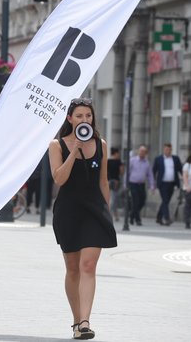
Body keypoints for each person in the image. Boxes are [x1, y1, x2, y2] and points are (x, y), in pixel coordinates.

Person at [49, 98, 116, 340]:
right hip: (68, 211)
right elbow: (59, 179)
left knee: (88, 266)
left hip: (94, 211)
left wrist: (107, 213)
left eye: (88, 116)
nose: (84, 120)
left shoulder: (101, 144)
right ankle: (76, 322)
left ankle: (86, 321)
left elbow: (103, 181)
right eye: (79, 116)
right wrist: (75, 149)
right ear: (70, 119)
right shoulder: (56, 145)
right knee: (73, 269)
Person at [152, 143, 182, 225]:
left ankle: (158, 217)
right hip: (162, 183)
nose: (167, 151)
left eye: (169, 150)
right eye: (166, 150)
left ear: (171, 150)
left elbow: (180, 169)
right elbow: (154, 171)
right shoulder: (158, 159)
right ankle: (166, 218)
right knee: (165, 200)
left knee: (166, 201)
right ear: (163, 150)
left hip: (172, 183)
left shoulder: (175, 159)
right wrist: (153, 183)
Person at [127, 145, 155, 226]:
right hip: (133, 184)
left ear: (146, 153)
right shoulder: (132, 160)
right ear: (138, 151)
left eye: (144, 152)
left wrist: (152, 185)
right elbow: (127, 172)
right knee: (135, 201)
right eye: (140, 151)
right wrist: (126, 183)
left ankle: (132, 215)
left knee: (142, 201)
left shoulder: (147, 162)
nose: (142, 153)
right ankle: (138, 220)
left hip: (141, 184)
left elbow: (150, 175)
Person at [107, 147, 124, 221]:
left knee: (113, 198)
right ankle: (109, 215)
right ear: (116, 153)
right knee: (114, 199)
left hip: (109, 181)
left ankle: (116, 215)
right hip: (116, 181)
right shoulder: (118, 161)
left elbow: (105, 171)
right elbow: (121, 172)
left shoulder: (108, 161)